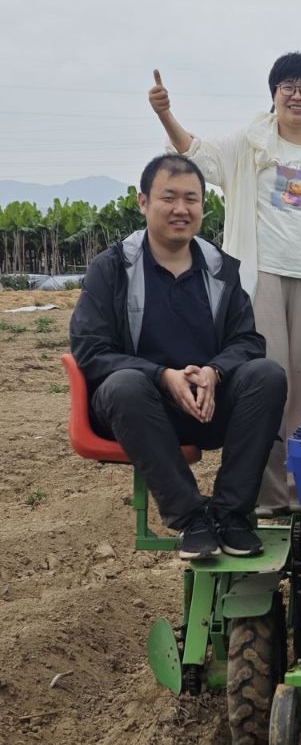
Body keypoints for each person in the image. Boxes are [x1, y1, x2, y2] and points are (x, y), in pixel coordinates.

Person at [148, 53, 301, 510]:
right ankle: (265, 494)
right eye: (288, 86)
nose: (298, 95)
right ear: (274, 94)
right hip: (261, 278)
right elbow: (198, 155)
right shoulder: (250, 143)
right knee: (268, 381)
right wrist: (165, 114)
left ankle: (300, 492)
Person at [70, 155, 287, 560]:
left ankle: (230, 514)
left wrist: (215, 372)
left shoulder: (221, 269)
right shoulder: (112, 268)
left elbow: (246, 341)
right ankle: (192, 519)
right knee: (126, 385)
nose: (181, 209)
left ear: (203, 206)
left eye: (191, 199)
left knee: (267, 375)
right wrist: (161, 375)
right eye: (168, 198)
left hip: (206, 405)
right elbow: (90, 349)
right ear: (143, 202)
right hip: (140, 410)